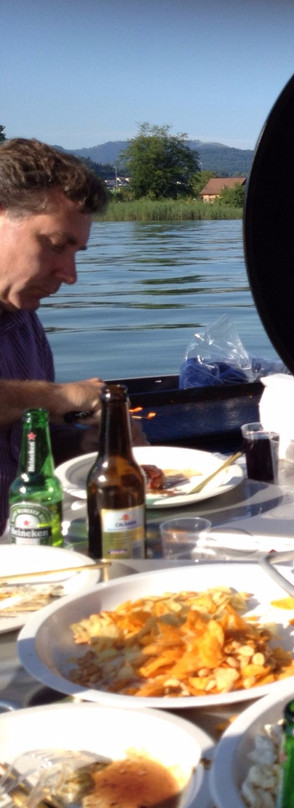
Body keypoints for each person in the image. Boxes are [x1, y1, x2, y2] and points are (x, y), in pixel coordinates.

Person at [0, 138, 110, 530]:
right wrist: (61, 395)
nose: (70, 274)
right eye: (55, 245)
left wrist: (83, 446)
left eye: (76, 252)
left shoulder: (23, 321)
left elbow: (19, 443)